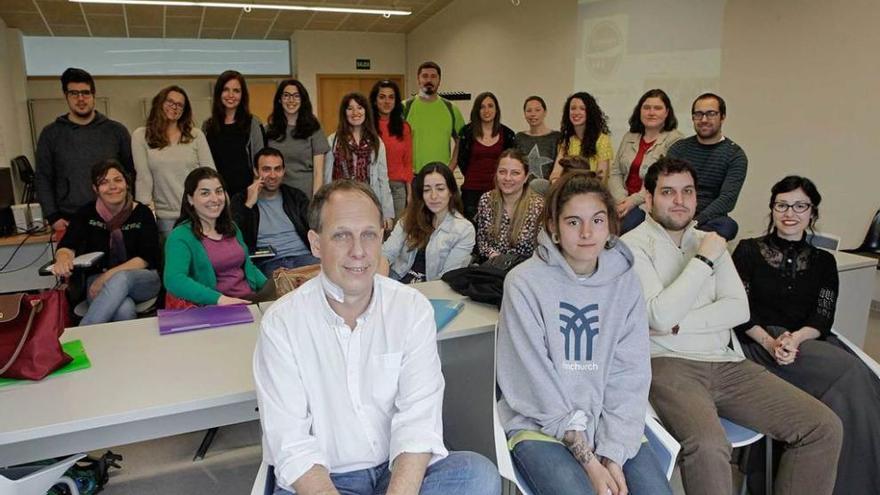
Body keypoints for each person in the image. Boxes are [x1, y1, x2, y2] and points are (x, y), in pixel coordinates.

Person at [253, 179, 501, 495]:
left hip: (394, 469)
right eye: (342, 235)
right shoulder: (282, 323)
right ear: (316, 244)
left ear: (382, 236)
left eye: (368, 235)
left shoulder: (411, 308)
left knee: (475, 475)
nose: (358, 251)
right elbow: (290, 442)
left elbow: (417, 419)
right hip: (324, 478)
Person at [621, 157, 842, 495]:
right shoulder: (631, 247)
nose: (679, 201)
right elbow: (660, 317)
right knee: (709, 446)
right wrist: (703, 261)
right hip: (667, 364)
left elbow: (738, 309)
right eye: (668, 192)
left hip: (727, 362)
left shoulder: (710, 240)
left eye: (687, 192)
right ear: (648, 199)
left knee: (823, 426)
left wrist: (677, 324)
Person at [496, 170, 671, 495]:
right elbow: (533, 382)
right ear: (554, 228)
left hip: (608, 423)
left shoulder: (625, 282)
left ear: (610, 226)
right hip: (542, 426)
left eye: (598, 220)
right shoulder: (524, 283)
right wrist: (590, 461)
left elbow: (629, 374)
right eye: (574, 222)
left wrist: (613, 455)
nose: (587, 233)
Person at [732, 175, 880, 495]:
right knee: (851, 374)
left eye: (800, 206)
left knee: (863, 382)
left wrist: (795, 339)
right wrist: (772, 342)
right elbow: (739, 312)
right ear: (772, 209)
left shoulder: (824, 261)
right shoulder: (747, 251)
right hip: (758, 344)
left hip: (807, 342)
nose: (790, 212)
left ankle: (848, 481)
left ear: (812, 213)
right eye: (782, 204)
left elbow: (823, 315)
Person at [52, 159, 160, 326]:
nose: (112, 187)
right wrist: (62, 258)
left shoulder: (142, 213)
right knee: (124, 308)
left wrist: (106, 277)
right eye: (104, 182)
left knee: (122, 278)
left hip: (141, 279)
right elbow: (68, 244)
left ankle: (82, 336)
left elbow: (146, 258)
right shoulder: (86, 213)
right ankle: (125, 351)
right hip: (95, 279)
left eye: (118, 180)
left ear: (127, 183)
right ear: (95, 188)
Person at [35, 67, 133, 234]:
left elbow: (130, 172)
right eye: (74, 93)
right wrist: (53, 216)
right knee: (70, 260)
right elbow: (43, 178)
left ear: (93, 95)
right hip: (69, 220)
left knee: (119, 261)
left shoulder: (116, 131)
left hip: (114, 218)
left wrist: (130, 209)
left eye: (85, 93)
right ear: (66, 96)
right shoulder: (51, 134)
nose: (81, 98)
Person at [164, 167, 271, 306]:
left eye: (219, 191)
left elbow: (248, 267)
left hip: (249, 300)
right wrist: (220, 299)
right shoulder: (180, 236)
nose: (215, 199)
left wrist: (271, 288)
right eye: (205, 193)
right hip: (215, 309)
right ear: (190, 199)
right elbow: (174, 280)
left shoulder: (231, 228)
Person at [133, 85, 216, 237]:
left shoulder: (195, 135)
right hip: (165, 218)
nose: (174, 107)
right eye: (170, 102)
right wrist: (144, 216)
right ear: (159, 103)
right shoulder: (141, 136)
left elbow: (210, 175)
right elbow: (143, 178)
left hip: (198, 215)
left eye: (179, 105)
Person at [667, 92, 747, 240]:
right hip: (676, 210)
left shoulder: (735, 155)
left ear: (722, 117)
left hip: (708, 218)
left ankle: (688, 239)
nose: (704, 119)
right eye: (698, 114)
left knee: (728, 226)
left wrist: (696, 221)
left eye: (711, 114)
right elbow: (665, 186)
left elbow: (727, 199)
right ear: (692, 117)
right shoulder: (678, 149)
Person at [381, 163, 474, 283]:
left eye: (440, 189)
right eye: (427, 190)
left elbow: (448, 277)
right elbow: (386, 254)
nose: (433, 196)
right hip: (398, 282)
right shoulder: (408, 219)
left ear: (451, 191)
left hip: (432, 290)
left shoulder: (464, 230)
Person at [230, 147, 316, 277]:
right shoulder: (241, 199)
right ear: (255, 171)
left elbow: (316, 227)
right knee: (284, 287)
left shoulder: (295, 196)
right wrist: (249, 204)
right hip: (269, 262)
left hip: (304, 257)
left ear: (283, 171)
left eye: (277, 169)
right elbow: (234, 238)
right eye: (266, 169)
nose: (273, 175)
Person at [608, 89, 683, 234]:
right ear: (640, 111)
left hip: (648, 204)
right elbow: (616, 171)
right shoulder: (629, 136)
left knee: (622, 229)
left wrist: (632, 202)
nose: (651, 112)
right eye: (647, 107)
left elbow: (662, 180)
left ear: (667, 112)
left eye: (657, 108)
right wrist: (622, 200)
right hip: (620, 201)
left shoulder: (675, 140)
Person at [324, 92, 395, 229]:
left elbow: (383, 180)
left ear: (366, 111)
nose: (355, 112)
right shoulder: (333, 141)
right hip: (340, 204)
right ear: (344, 113)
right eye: (350, 108)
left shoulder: (376, 142)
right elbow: (327, 179)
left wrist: (387, 213)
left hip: (368, 203)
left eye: (360, 107)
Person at [202, 70, 266, 198]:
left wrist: (253, 194)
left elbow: (260, 162)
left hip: (246, 196)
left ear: (243, 95)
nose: (231, 95)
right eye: (226, 89)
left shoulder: (252, 123)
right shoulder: (208, 126)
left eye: (236, 91)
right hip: (216, 197)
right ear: (219, 93)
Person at [473, 149, 544, 262]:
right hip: (493, 267)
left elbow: (542, 249)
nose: (507, 178)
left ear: (526, 177)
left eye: (515, 173)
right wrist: (496, 258)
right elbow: (482, 242)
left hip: (525, 270)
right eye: (502, 172)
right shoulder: (486, 200)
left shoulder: (539, 206)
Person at [456, 92, 516, 220]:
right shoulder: (466, 132)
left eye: (490, 106)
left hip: (499, 190)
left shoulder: (508, 134)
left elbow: (511, 163)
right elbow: (461, 160)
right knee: (472, 232)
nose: (486, 110)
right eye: (482, 107)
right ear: (476, 110)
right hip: (471, 191)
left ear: (496, 109)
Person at [265, 79, 329, 198]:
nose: (291, 100)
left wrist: (315, 202)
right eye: (286, 95)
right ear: (279, 100)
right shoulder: (269, 130)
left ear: (302, 100)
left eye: (296, 96)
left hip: (306, 196)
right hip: (276, 196)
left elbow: (318, 172)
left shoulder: (314, 129)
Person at [403, 61, 466, 172]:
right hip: (412, 176)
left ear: (439, 80)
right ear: (418, 79)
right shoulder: (404, 108)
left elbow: (462, 140)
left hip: (441, 175)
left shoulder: (451, 109)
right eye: (425, 76)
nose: (429, 80)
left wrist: (451, 167)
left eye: (433, 76)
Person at [370, 79, 413, 219]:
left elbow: (408, 162)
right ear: (375, 100)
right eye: (382, 97)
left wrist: (410, 193)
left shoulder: (404, 127)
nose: (387, 101)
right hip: (373, 185)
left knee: (396, 234)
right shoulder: (367, 126)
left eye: (391, 97)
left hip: (397, 188)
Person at [547, 92, 613, 183]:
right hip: (567, 189)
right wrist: (556, 182)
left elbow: (601, 177)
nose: (576, 113)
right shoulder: (567, 140)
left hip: (592, 191)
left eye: (582, 109)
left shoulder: (602, 140)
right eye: (573, 108)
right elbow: (555, 173)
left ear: (590, 112)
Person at [515, 95, 562, 180]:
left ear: (545, 112)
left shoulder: (557, 137)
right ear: (524, 114)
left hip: (549, 188)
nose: (533, 114)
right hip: (524, 189)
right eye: (529, 111)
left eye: (537, 110)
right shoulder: (519, 138)